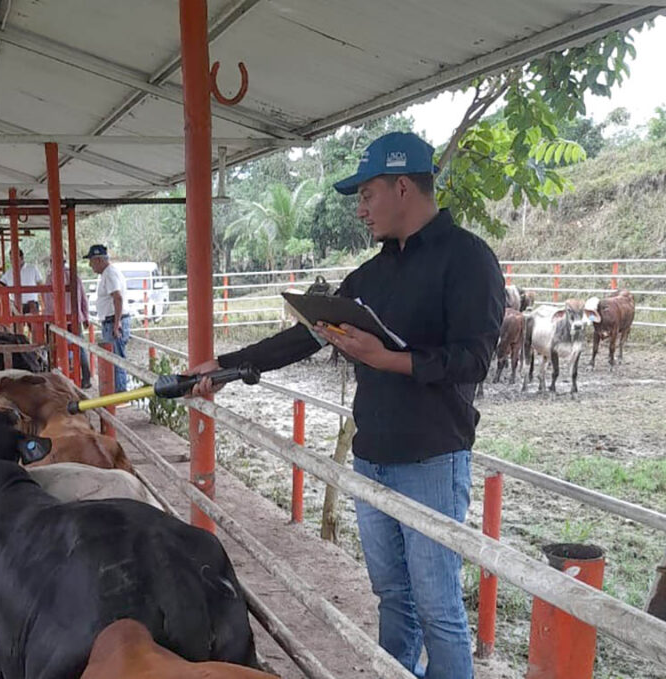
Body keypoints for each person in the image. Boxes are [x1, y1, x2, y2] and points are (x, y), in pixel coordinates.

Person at [191, 132, 505, 679]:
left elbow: (474, 359)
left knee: (438, 609)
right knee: (393, 597)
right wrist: (226, 366)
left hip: (432, 459)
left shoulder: (469, 259)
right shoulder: (371, 276)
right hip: (372, 457)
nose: (360, 210)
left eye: (366, 195)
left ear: (402, 187)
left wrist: (387, 359)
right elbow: (306, 336)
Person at [85, 244, 130, 393]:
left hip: (113, 321)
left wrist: (117, 324)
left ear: (98, 260)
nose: (90, 265)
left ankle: (119, 392)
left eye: (91, 261)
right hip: (111, 321)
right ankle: (117, 392)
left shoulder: (109, 274)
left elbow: (118, 298)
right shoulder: (108, 273)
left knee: (116, 360)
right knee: (114, 359)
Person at [43, 264, 92, 388]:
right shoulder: (74, 276)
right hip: (75, 318)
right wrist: (86, 316)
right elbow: (83, 298)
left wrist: (48, 319)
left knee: (56, 347)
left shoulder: (50, 277)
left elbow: (48, 301)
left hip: (58, 320)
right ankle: (86, 378)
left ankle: (60, 377)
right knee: (80, 347)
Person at [0, 248, 45, 316]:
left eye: (14, 258)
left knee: (34, 322)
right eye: (11, 259)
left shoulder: (32, 269)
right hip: (15, 307)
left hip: (32, 305)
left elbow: (41, 286)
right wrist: (7, 302)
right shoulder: (8, 273)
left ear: (22, 257)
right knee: (16, 322)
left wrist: (43, 303)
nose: (12, 261)